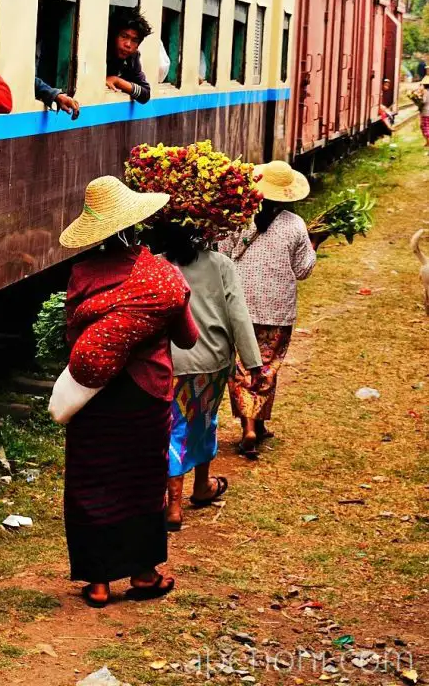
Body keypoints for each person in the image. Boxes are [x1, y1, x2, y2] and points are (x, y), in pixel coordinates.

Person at [49, 176, 198, 608]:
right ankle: (144, 574)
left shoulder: (80, 273)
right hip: (145, 394)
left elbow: (72, 337)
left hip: (92, 395)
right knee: (141, 479)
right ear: (137, 225)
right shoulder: (163, 276)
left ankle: (96, 582)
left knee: (90, 479)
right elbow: (187, 339)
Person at [154, 223, 262, 531]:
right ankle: (201, 486)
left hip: (169, 363)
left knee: (174, 428)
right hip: (212, 363)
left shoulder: (156, 265)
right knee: (204, 422)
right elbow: (238, 313)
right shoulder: (220, 264)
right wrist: (253, 363)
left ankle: (173, 504)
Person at [219, 161, 316, 459]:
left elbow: (222, 256)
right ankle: (255, 426)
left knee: (243, 366)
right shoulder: (296, 225)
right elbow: (303, 270)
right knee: (266, 365)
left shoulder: (238, 219)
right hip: (277, 309)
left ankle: (251, 427)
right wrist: (314, 245)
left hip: (239, 305)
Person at [106, 13, 152, 103]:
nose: (128, 44)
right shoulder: (102, 52)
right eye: (124, 36)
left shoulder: (132, 59)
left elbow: (145, 94)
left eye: (134, 40)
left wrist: (117, 81)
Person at [419, 76, 429, 148]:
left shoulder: (426, 92)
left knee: (424, 127)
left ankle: (428, 141)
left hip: (426, 112)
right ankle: (427, 142)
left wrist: (419, 100)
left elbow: (424, 101)